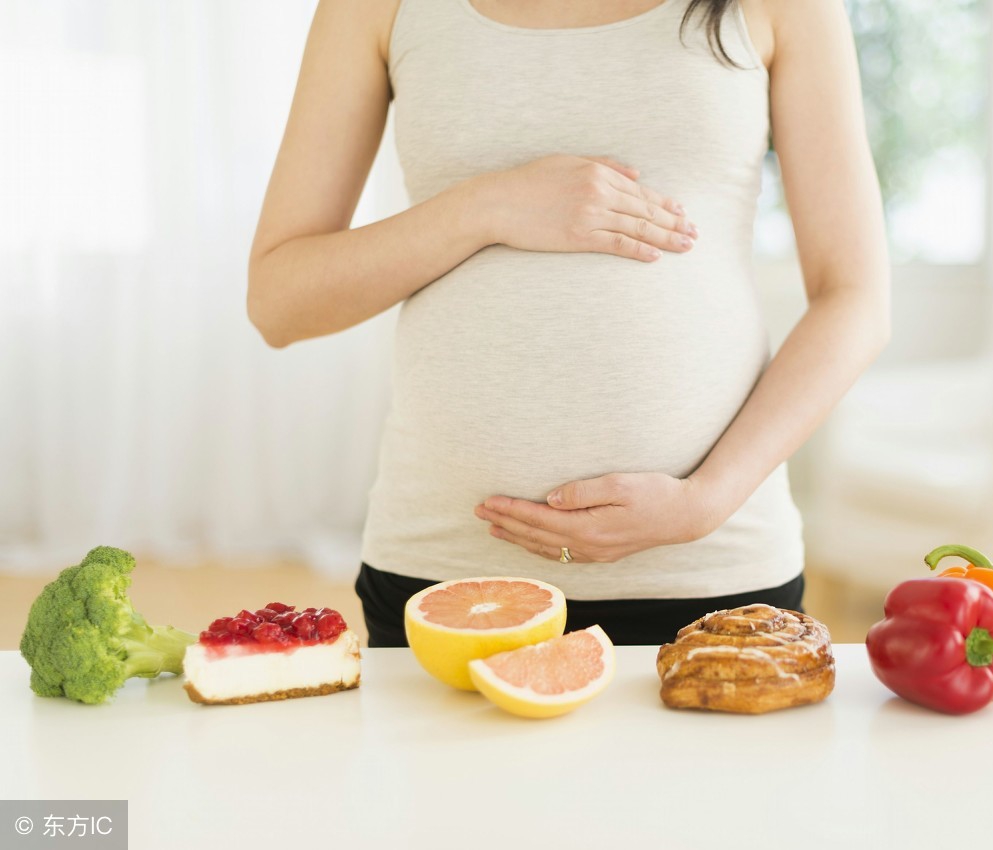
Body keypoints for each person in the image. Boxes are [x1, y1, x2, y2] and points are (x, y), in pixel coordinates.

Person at [247, 0, 890, 647]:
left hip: (712, 571)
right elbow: (280, 301)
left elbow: (854, 295)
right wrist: (485, 206)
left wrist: (705, 502)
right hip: (449, 575)